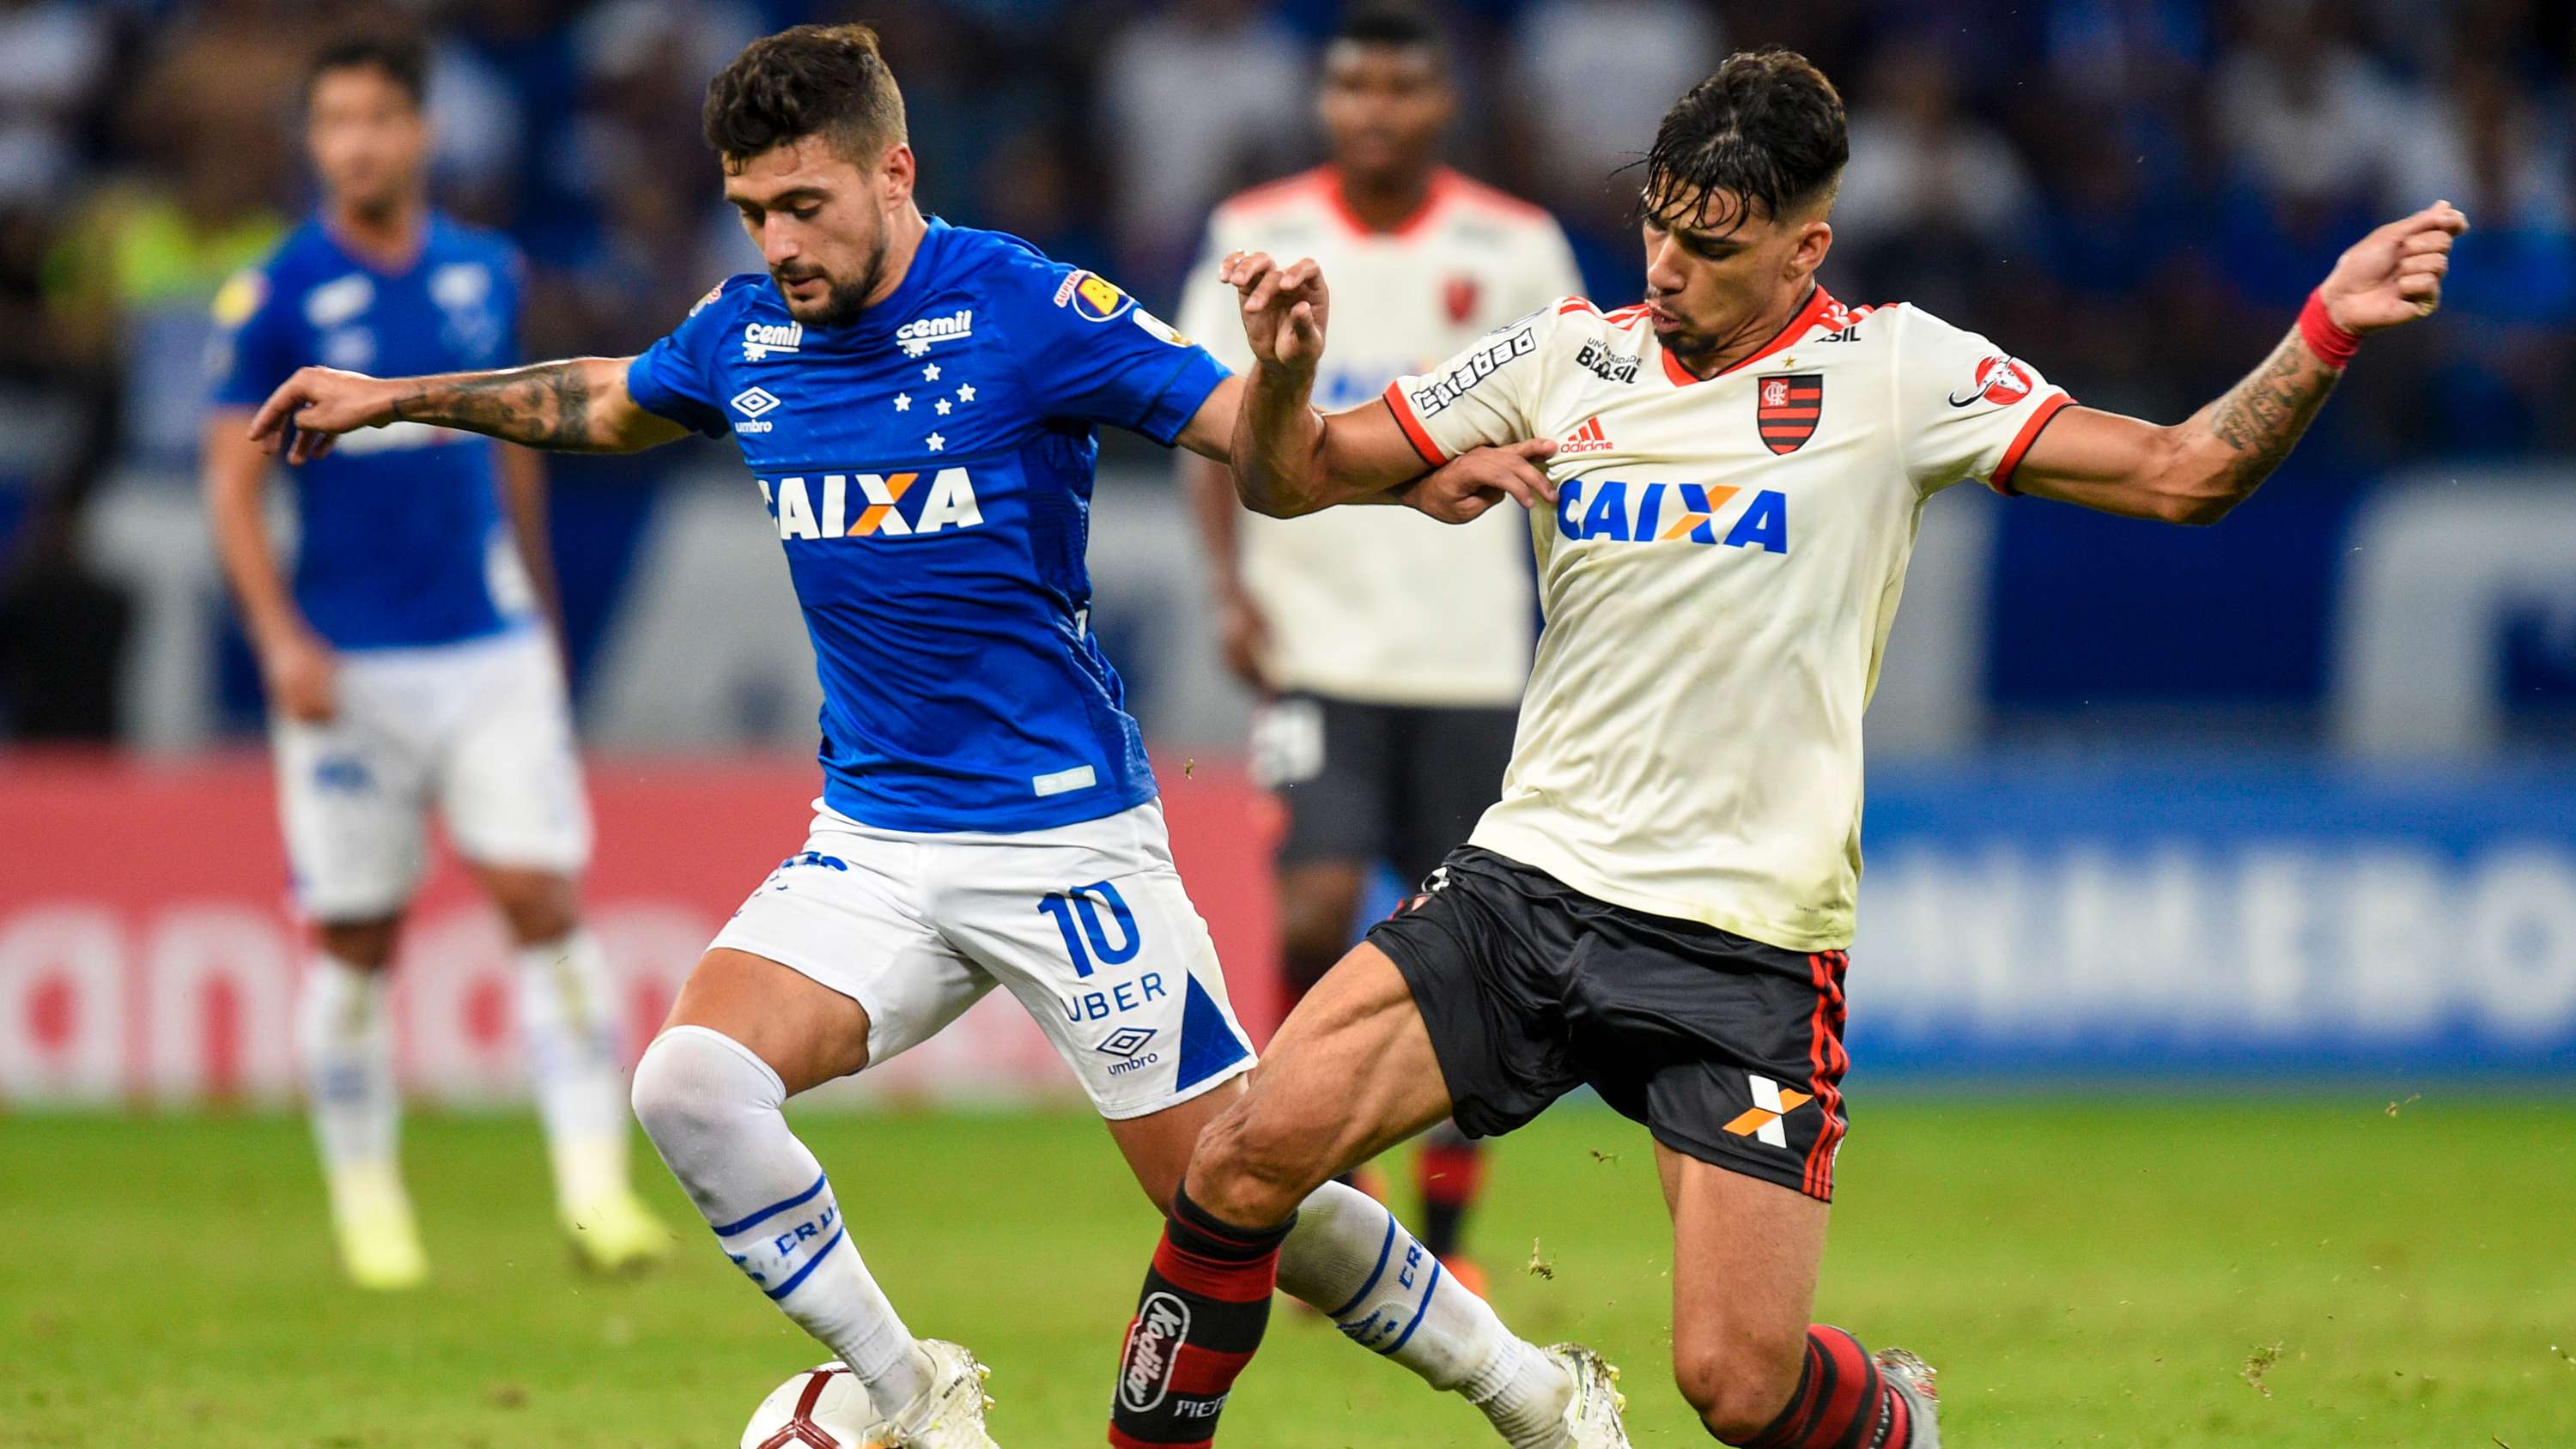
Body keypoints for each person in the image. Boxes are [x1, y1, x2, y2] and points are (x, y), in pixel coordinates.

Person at [247, 25, 1626, 1449]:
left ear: (894, 172)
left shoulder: (1028, 307)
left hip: (1065, 837)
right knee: (691, 1086)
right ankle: (914, 1396)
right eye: (752, 212)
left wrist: (1313, 400)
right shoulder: (745, 334)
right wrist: (394, 402)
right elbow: (601, 402)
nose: (778, 242)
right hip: (874, 845)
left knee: (1228, 1185)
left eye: (805, 205)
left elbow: (1261, 459)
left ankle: (1532, 1392)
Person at [1108, 47, 2464, 1449]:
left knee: (1738, 1389)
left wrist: (2324, 330)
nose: (1668, 268)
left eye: (1711, 245)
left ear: (1805, 245)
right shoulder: (1569, 353)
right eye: (1656, 226)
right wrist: (1282, 378)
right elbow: (1294, 478)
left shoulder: (1898, 373)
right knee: (1240, 1159)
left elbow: (2186, 476)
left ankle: (1896, 1424)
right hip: (1531, 889)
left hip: (1743, 946)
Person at [201, 31, 668, 1291]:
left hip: (488, 646)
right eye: (335, 123)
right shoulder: (274, 292)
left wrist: (540, 607)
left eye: (378, 120)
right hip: (350, 664)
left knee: (541, 900)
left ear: (420, 134)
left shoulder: (486, 271)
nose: (357, 143)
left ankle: (595, 1198)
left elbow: (512, 440)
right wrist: (281, 641)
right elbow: (230, 486)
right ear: (315, 143)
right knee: (358, 937)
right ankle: (369, 1205)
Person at [1176, 0, 1581, 1293]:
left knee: (1467, 951)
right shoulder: (1257, 236)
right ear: (1327, 100)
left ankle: (1448, 1243)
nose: (1375, 111)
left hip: (1470, 659)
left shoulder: (1515, 248)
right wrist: (1233, 592)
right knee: (1310, 909)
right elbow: (1213, 418)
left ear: (1440, 101)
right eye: (1353, 87)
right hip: (1318, 649)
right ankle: (1327, 1159)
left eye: (1400, 88)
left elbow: (1582, 425)